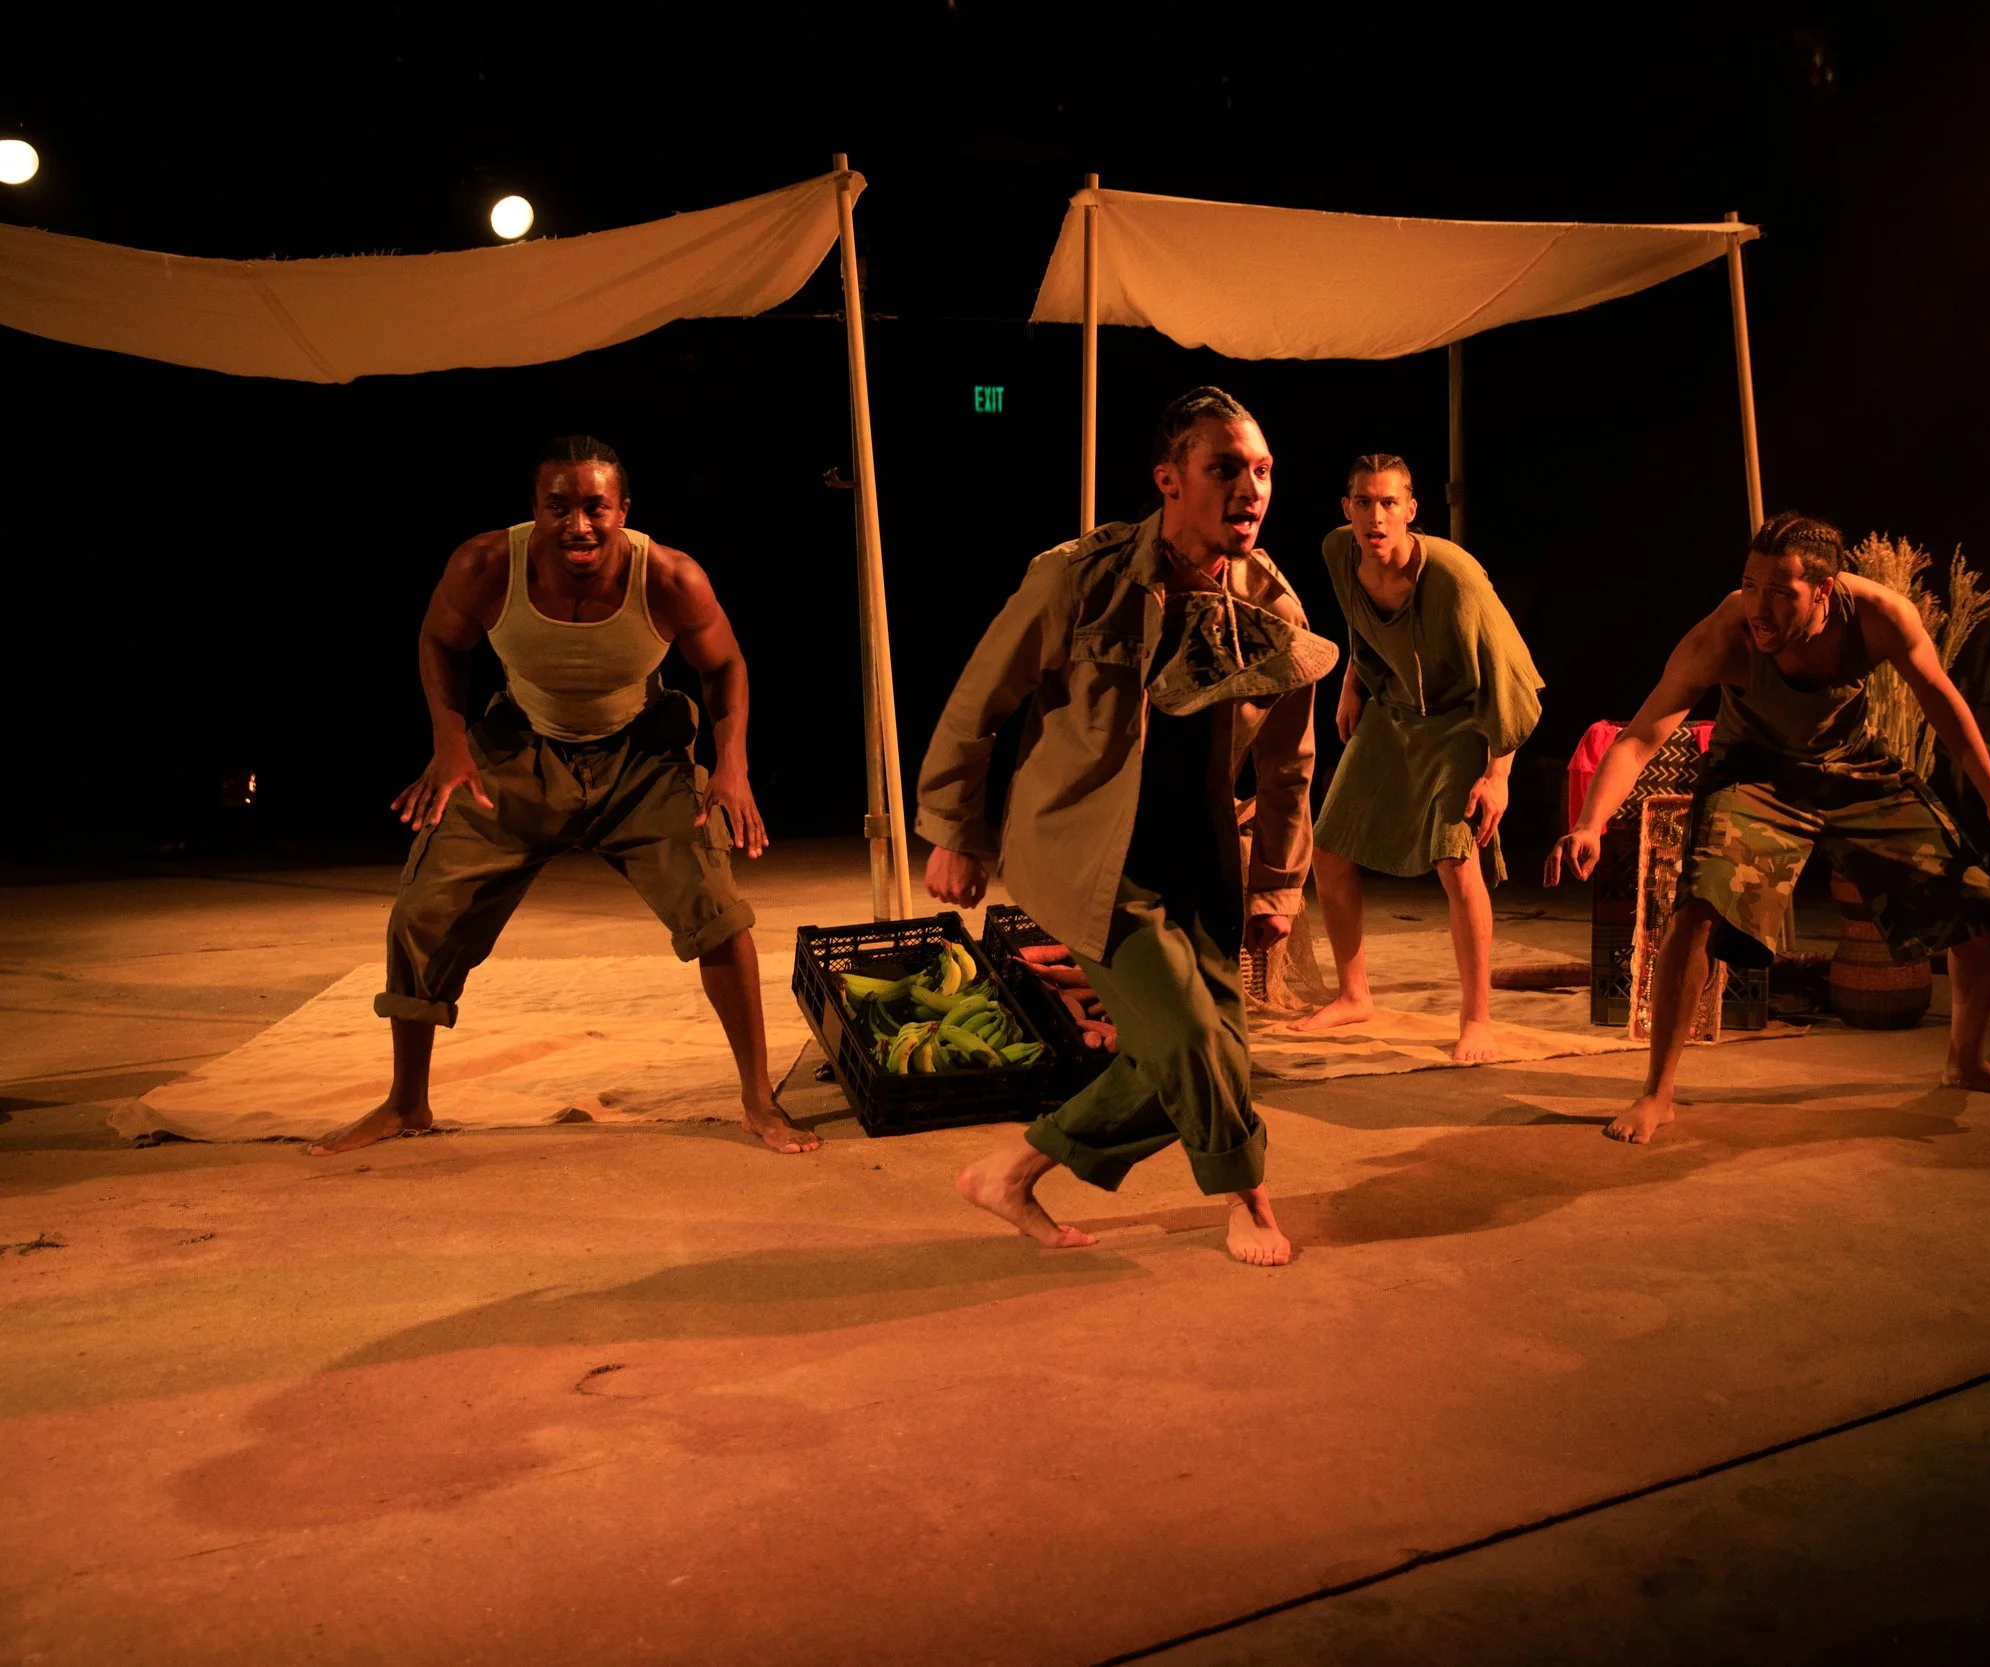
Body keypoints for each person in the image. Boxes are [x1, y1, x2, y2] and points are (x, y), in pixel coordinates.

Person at [917, 388, 1334, 1266]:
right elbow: (976, 704)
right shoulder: (1079, 579)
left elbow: (1288, 764)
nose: (1251, 489)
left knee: (1201, 1051)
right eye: (1226, 468)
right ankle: (1249, 1199)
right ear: (1168, 479)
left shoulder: (1273, 609)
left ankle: (1012, 1172)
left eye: (1263, 471)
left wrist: (1278, 884)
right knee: (1192, 1039)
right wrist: (954, 829)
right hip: (1091, 854)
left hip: (1202, 854)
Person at [312, 436, 815, 1157]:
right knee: (423, 910)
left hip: (640, 756)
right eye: (559, 507)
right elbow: (439, 640)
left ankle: (758, 1100)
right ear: (534, 510)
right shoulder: (486, 565)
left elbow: (726, 664)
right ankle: (406, 1102)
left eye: (595, 508)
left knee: (717, 911)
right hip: (519, 751)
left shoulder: (670, 578)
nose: (578, 525)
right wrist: (449, 743)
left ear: (623, 511)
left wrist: (731, 764)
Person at [1546, 511, 1990, 1144]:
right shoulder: (1725, 633)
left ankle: (1965, 1061)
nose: (1758, 607)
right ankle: (1658, 1093)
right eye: (1749, 585)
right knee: (1697, 912)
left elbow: (1942, 703)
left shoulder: (1880, 618)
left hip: (1852, 770)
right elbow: (1642, 735)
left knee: (1984, 909)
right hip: (1752, 776)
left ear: (1824, 590)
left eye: (1780, 592)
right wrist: (1590, 823)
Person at [1290, 455, 1543, 1062]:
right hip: (1396, 708)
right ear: (1346, 508)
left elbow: (1512, 676)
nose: (1375, 516)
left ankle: (1476, 1018)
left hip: (1464, 718)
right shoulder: (1339, 551)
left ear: (1410, 510)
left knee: (1455, 860)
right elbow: (1358, 622)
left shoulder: (1454, 577)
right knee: (1329, 848)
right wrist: (1352, 682)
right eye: (1363, 502)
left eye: (1388, 503)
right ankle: (1354, 995)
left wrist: (1498, 774)